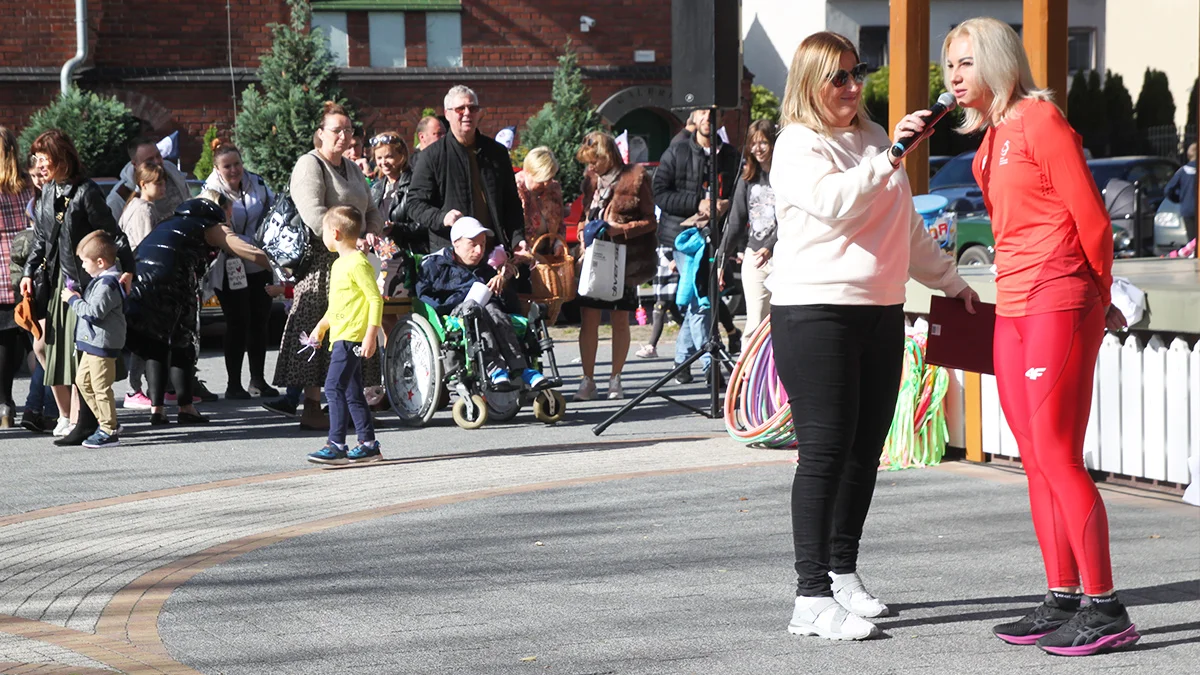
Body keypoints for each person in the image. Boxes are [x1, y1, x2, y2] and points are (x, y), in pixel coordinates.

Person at [769, 32, 976, 641]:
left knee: (864, 453)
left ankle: (841, 573)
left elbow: (906, 227)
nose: (855, 86)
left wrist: (948, 280)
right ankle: (808, 598)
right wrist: (890, 158)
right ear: (811, 83)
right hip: (816, 314)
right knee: (825, 454)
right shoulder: (797, 144)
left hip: (881, 309)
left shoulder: (874, 139)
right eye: (840, 77)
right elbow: (836, 204)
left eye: (859, 73)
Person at [946, 18, 1138, 656]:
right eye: (949, 65)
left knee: (1058, 454)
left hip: (1061, 296)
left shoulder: (1040, 120)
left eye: (966, 63)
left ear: (997, 61)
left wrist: (1104, 295)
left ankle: (1106, 607)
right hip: (1014, 304)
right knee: (1033, 458)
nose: (954, 76)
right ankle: (1061, 597)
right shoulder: (991, 136)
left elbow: (1091, 217)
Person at [263, 101, 384, 430]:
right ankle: (312, 406)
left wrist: (371, 232)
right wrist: (346, 239)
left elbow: (371, 208)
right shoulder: (310, 165)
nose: (344, 136)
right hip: (320, 262)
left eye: (349, 130)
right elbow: (314, 214)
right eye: (337, 130)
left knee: (352, 329)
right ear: (320, 134)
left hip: (351, 260)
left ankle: (349, 404)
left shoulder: (353, 168)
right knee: (321, 328)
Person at [21, 129, 135, 447]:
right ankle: (75, 418)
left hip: (87, 285)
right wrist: (29, 272)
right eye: (36, 159)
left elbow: (112, 234)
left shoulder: (86, 192)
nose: (39, 165)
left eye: (44, 159)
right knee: (49, 350)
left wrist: (127, 272)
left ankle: (85, 423)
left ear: (61, 159)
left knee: (82, 353)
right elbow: (42, 241)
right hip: (61, 284)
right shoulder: (45, 193)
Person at [126, 192, 269, 426]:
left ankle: (157, 411)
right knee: (184, 342)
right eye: (228, 216)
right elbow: (246, 250)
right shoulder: (210, 225)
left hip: (141, 281)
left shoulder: (170, 223)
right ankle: (186, 407)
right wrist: (277, 267)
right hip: (173, 283)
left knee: (156, 345)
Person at [652, 108, 739, 385]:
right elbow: (660, 194)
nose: (708, 118)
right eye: (702, 112)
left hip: (718, 237)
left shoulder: (730, 156)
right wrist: (696, 203)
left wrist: (727, 204)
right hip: (685, 238)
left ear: (722, 119)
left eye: (714, 113)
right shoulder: (676, 152)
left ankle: (681, 359)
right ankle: (709, 365)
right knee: (702, 299)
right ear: (694, 117)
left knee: (699, 300)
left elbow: (741, 194)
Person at [415, 217, 547, 391]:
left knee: (492, 308)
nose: (479, 251)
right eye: (473, 244)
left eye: (483, 245)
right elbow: (425, 298)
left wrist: (502, 285)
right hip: (452, 312)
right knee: (474, 308)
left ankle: (521, 368)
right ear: (456, 243)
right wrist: (465, 296)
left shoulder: (485, 269)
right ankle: (494, 368)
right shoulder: (435, 265)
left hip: (487, 311)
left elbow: (510, 308)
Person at [573, 132, 657, 401]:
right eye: (589, 162)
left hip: (624, 259)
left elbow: (650, 220)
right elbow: (584, 215)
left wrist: (621, 229)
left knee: (620, 319)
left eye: (594, 161)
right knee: (589, 319)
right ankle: (587, 380)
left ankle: (615, 379)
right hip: (594, 257)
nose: (591, 167)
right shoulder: (591, 180)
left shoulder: (636, 177)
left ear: (607, 155)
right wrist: (581, 233)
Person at [305, 205, 383, 466]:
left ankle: (336, 444)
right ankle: (368, 444)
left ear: (335, 233)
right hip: (340, 335)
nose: (322, 236)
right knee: (351, 391)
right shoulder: (339, 264)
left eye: (324, 231)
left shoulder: (357, 263)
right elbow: (338, 305)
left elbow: (375, 299)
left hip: (351, 337)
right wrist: (321, 327)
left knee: (333, 387)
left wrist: (371, 335)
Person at [407, 85, 526, 254]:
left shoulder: (496, 153)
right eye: (460, 109)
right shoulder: (432, 156)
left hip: (492, 253)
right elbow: (414, 204)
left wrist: (517, 238)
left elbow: (511, 204)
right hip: (451, 254)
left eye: (472, 108)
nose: (467, 113)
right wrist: (442, 217)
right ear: (447, 114)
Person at [204, 138, 278, 400]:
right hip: (229, 265)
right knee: (237, 323)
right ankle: (233, 383)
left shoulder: (257, 183)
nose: (234, 170)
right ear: (217, 168)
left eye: (237, 164)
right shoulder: (210, 192)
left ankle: (258, 380)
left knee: (260, 322)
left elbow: (272, 214)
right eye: (227, 166)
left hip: (260, 264)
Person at [60, 231, 125, 448]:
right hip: (93, 343)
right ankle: (107, 423)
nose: (83, 267)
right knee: (83, 382)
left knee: (100, 386)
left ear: (100, 261)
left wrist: (73, 301)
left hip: (102, 344)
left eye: (85, 262)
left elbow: (95, 313)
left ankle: (108, 429)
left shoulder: (107, 284)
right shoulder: (101, 281)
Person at [720, 119, 778, 336]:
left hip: (784, 255)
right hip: (755, 256)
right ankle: (748, 369)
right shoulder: (748, 178)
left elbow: (792, 217)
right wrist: (720, 260)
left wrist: (771, 246)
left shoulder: (786, 174)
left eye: (763, 142)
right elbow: (735, 221)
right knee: (755, 323)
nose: (758, 148)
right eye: (753, 143)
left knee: (783, 323)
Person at [0, 126, 35, 428]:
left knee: (4, 341)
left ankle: (5, 406)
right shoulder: (28, 184)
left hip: (1, 268)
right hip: (29, 264)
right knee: (36, 336)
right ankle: (43, 402)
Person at [105, 137, 191, 223]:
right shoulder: (120, 195)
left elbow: (188, 198)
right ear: (135, 164)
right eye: (149, 160)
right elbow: (111, 231)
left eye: (158, 155)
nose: (157, 161)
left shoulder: (171, 170)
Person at [1165, 142, 1197, 247]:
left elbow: (1168, 190)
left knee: (1192, 240)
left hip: (1188, 209)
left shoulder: (1183, 171)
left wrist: (1178, 199)